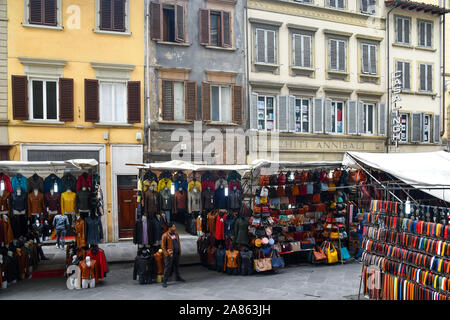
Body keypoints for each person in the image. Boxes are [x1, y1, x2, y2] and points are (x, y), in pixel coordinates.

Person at [161, 222, 185, 287]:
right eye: (173, 227)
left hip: (176, 253)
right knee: (168, 267)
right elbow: (163, 246)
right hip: (170, 254)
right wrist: (166, 254)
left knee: (176, 266)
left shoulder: (176, 234)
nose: (175, 228)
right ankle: (164, 281)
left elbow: (178, 242)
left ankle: (177, 277)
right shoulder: (165, 235)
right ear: (170, 228)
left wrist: (179, 250)